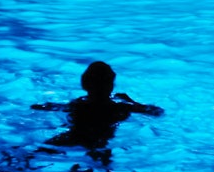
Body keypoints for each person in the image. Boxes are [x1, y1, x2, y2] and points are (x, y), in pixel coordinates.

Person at [33, 61, 163, 150]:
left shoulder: (79, 103)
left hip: (73, 136)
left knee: (40, 150)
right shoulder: (120, 106)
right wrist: (132, 102)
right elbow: (157, 112)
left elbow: (60, 107)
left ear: (85, 84)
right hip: (99, 141)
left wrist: (44, 106)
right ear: (111, 85)